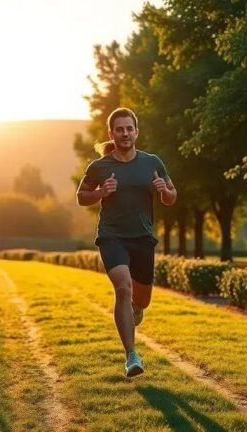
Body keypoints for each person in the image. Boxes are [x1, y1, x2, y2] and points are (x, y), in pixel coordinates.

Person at [76, 107, 177, 377]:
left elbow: (171, 196)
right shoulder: (100, 167)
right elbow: (81, 196)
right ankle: (131, 356)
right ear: (111, 133)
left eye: (129, 128)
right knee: (123, 288)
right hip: (112, 236)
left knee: (141, 300)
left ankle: (136, 309)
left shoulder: (152, 162)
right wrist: (100, 192)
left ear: (136, 132)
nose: (125, 133)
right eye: (119, 129)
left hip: (142, 237)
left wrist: (164, 190)